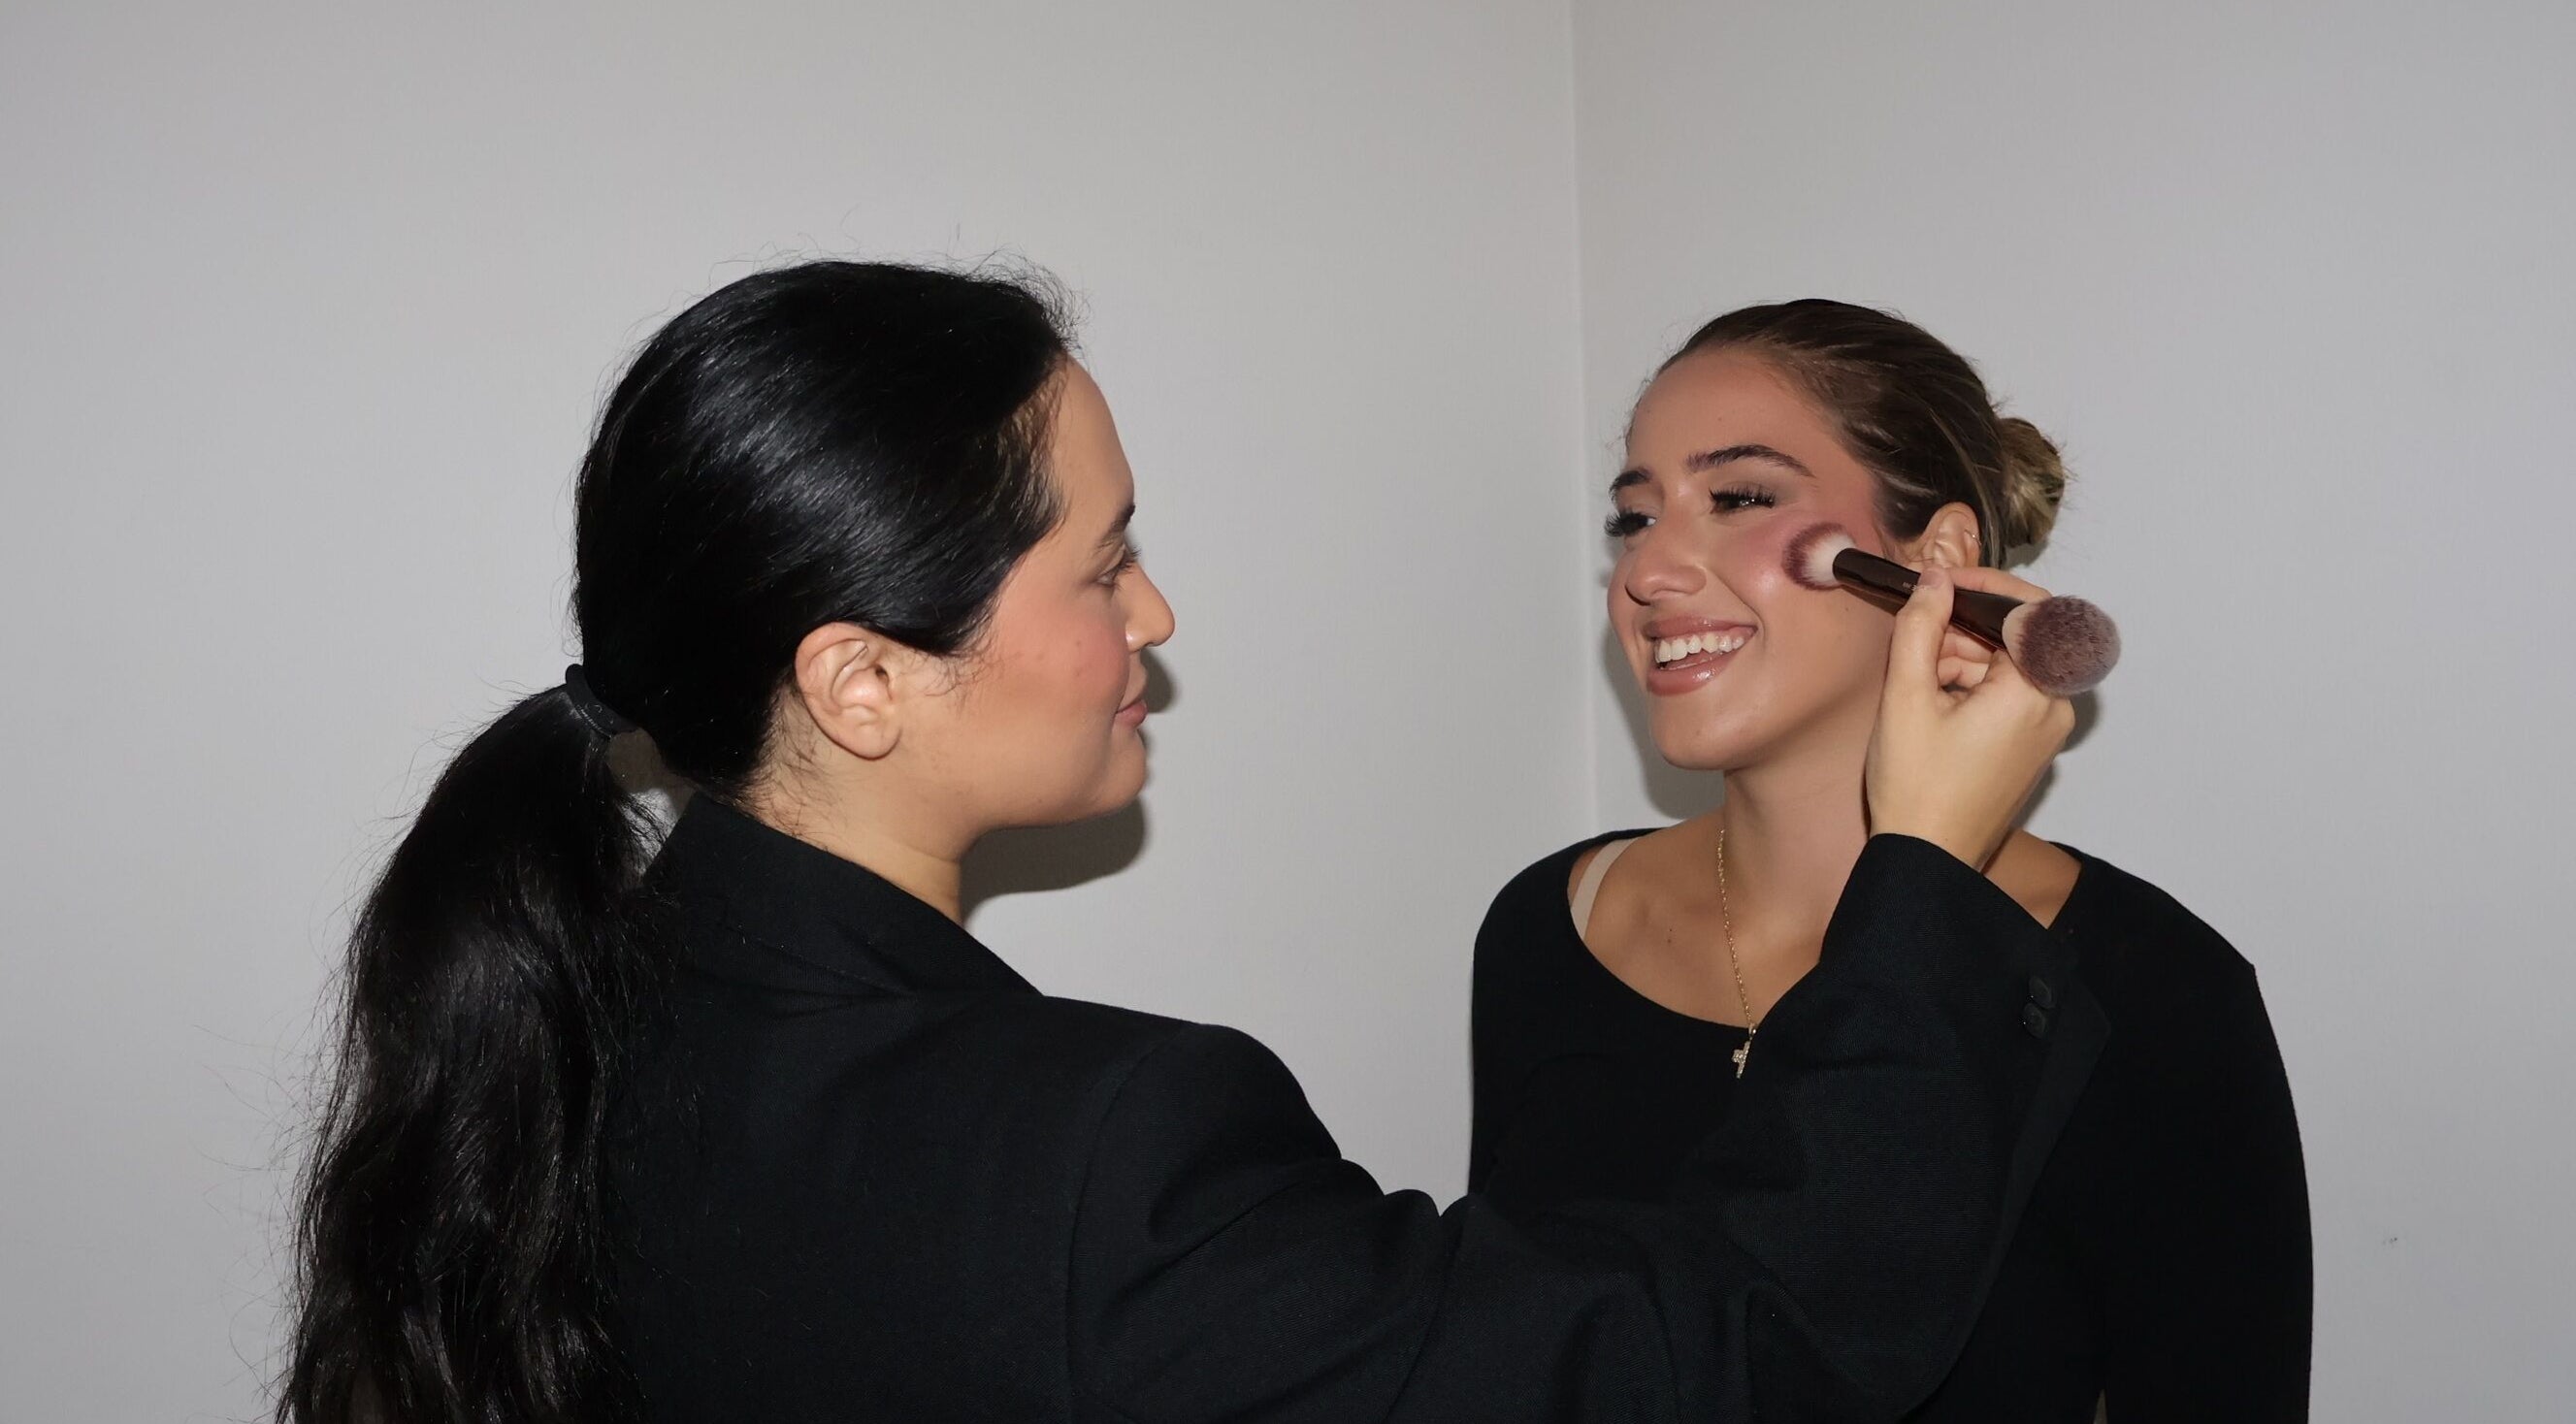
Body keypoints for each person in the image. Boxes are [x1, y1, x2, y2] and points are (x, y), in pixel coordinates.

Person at [279, 262, 2097, 1423]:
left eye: (1742, 499)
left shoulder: (591, 1004)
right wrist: (1924, 873)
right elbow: (1747, 1347)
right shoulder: (1098, 1152)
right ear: (859, 680)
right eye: (1099, 561)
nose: (1157, 611)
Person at [1470, 299, 2311, 1421]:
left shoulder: (2151, 988)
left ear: (1937, 561)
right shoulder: (1550, 924)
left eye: (1740, 498)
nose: (1651, 569)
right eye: (1634, 518)